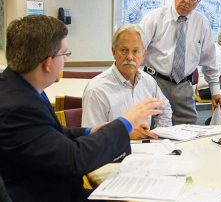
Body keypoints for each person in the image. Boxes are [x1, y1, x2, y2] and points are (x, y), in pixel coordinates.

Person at [0, 15, 164, 202]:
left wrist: (91, 130)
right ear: (48, 63)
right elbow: (73, 159)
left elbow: (53, 135)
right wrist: (126, 122)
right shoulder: (18, 107)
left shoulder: (21, 87)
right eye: (65, 55)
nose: (66, 61)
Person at [140, 0, 221, 125]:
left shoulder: (202, 24)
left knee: (187, 128)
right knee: (153, 127)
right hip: (155, 82)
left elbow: (209, 62)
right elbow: (136, 52)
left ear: (199, 1)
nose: (187, 1)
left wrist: (216, 91)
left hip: (183, 84)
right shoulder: (154, 18)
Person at [82, 24, 172, 139]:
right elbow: (91, 139)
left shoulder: (148, 81)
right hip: (113, 154)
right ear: (114, 52)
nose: (129, 57)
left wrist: (159, 135)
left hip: (148, 150)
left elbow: (165, 110)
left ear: (143, 54)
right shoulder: (96, 89)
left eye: (135, 51)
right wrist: (126, 135)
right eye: (124, 50)